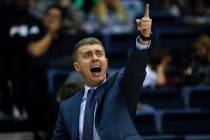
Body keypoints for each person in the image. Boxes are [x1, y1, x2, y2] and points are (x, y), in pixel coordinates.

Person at [52, 4, 152, 140]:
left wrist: (144, 39)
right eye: (87, 55)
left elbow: (136, 68)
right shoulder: (67, 107)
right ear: (77, 67)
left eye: (99, 54)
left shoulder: (121, 85)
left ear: (106, 61)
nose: (94, 58)